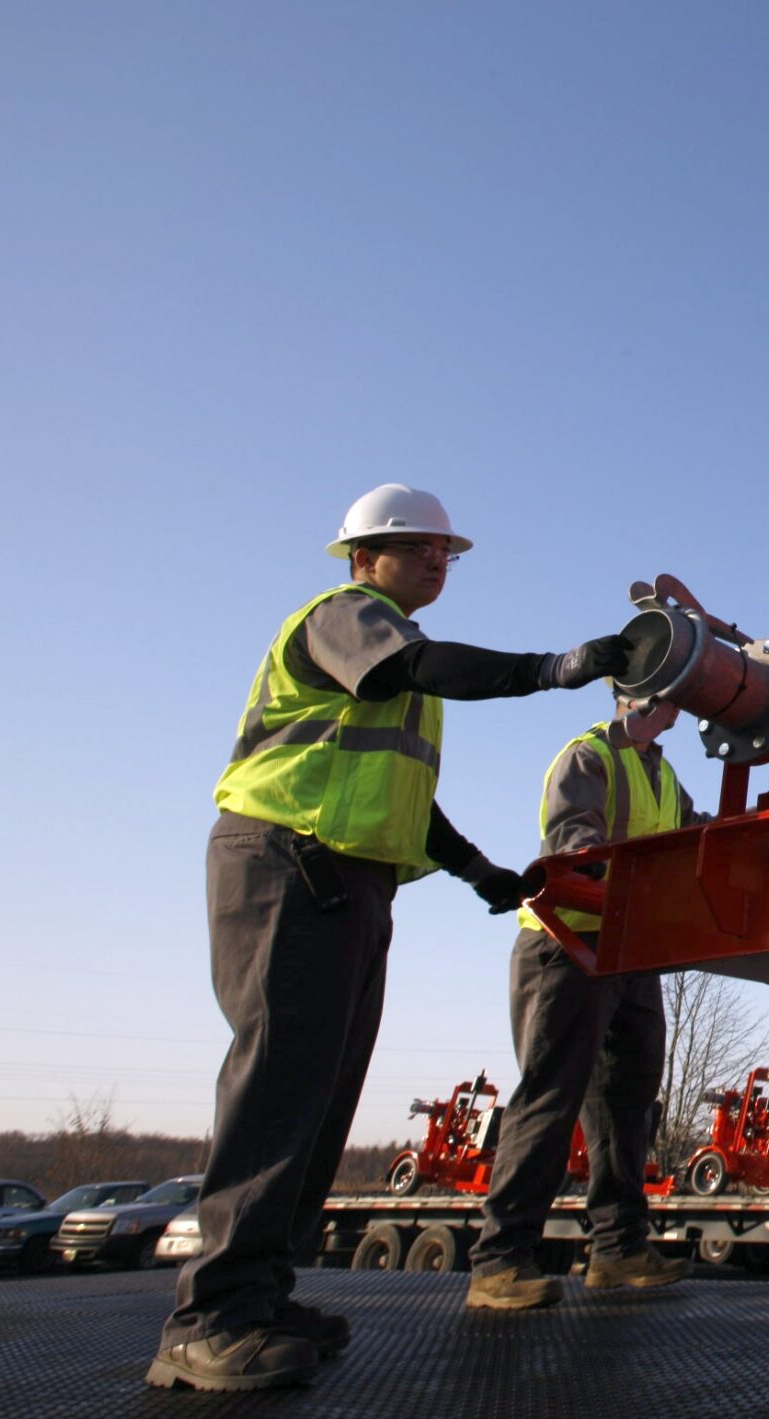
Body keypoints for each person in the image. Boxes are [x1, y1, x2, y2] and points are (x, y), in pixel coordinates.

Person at [150, 485, 636, 1393]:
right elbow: (420, 669)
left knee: (324, 1086)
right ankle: (209, 1318)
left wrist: (482, 870)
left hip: (346, 883)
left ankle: (262, 1294)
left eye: (445, 553)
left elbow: (409, 798)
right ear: (362, 556)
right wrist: (552, 667)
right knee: (280, 1081)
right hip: (286, 864)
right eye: (417, 549)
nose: (435, 564)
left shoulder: (400, 667)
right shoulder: (348, 619)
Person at [466, 688, 703, 1309]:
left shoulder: (665, 776)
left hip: (627, 951)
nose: (664, 704)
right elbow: (575, 844)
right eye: (653, 691)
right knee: (552, 1093)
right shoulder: (588, 757)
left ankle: (618, 1249)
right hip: (567, 945)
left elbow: (696, 838)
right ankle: (500, 1262)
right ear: (623, 696)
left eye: (672, 695)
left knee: (628, 1100)